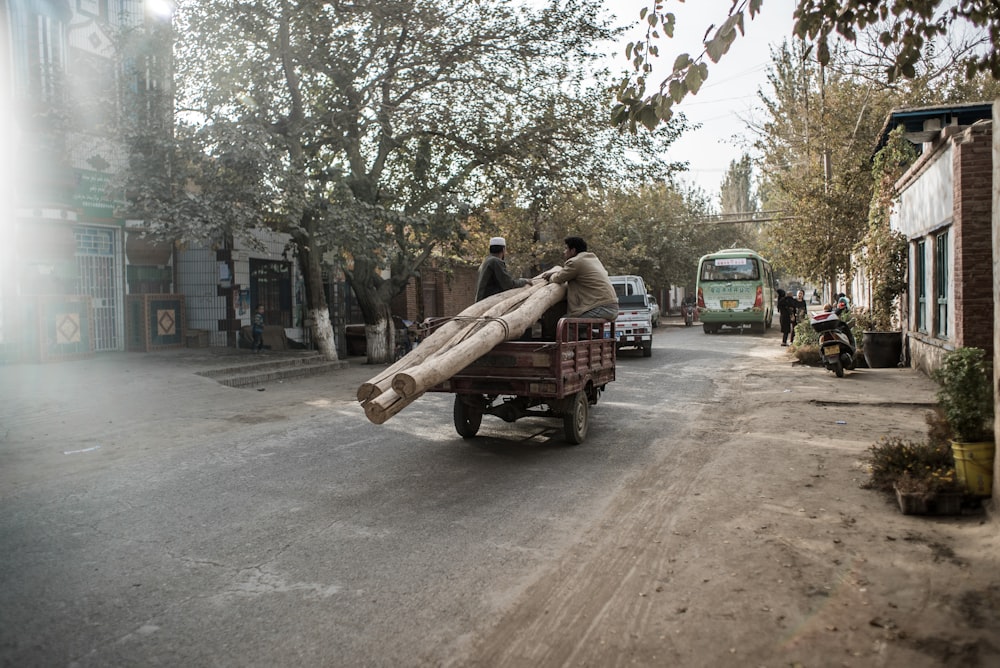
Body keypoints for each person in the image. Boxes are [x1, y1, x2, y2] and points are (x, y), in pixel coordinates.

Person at [540, 236, 618, 322]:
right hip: (611, 307)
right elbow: (566, 273)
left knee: (566, 323)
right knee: (575, 324)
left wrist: (549, 276)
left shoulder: (575, 262)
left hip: (600, 308)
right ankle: (586, 335)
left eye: (566, 249)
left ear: (573, 251)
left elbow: (558, 278)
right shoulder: (592, 259)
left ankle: (575, 335)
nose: (564, 252)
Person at [475, 236, 530, 302]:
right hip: (488, 302)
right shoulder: (496, 261)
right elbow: (508, 285)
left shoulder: (486, 261)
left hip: (480, 300)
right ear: (503, 250)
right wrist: (524, 281)